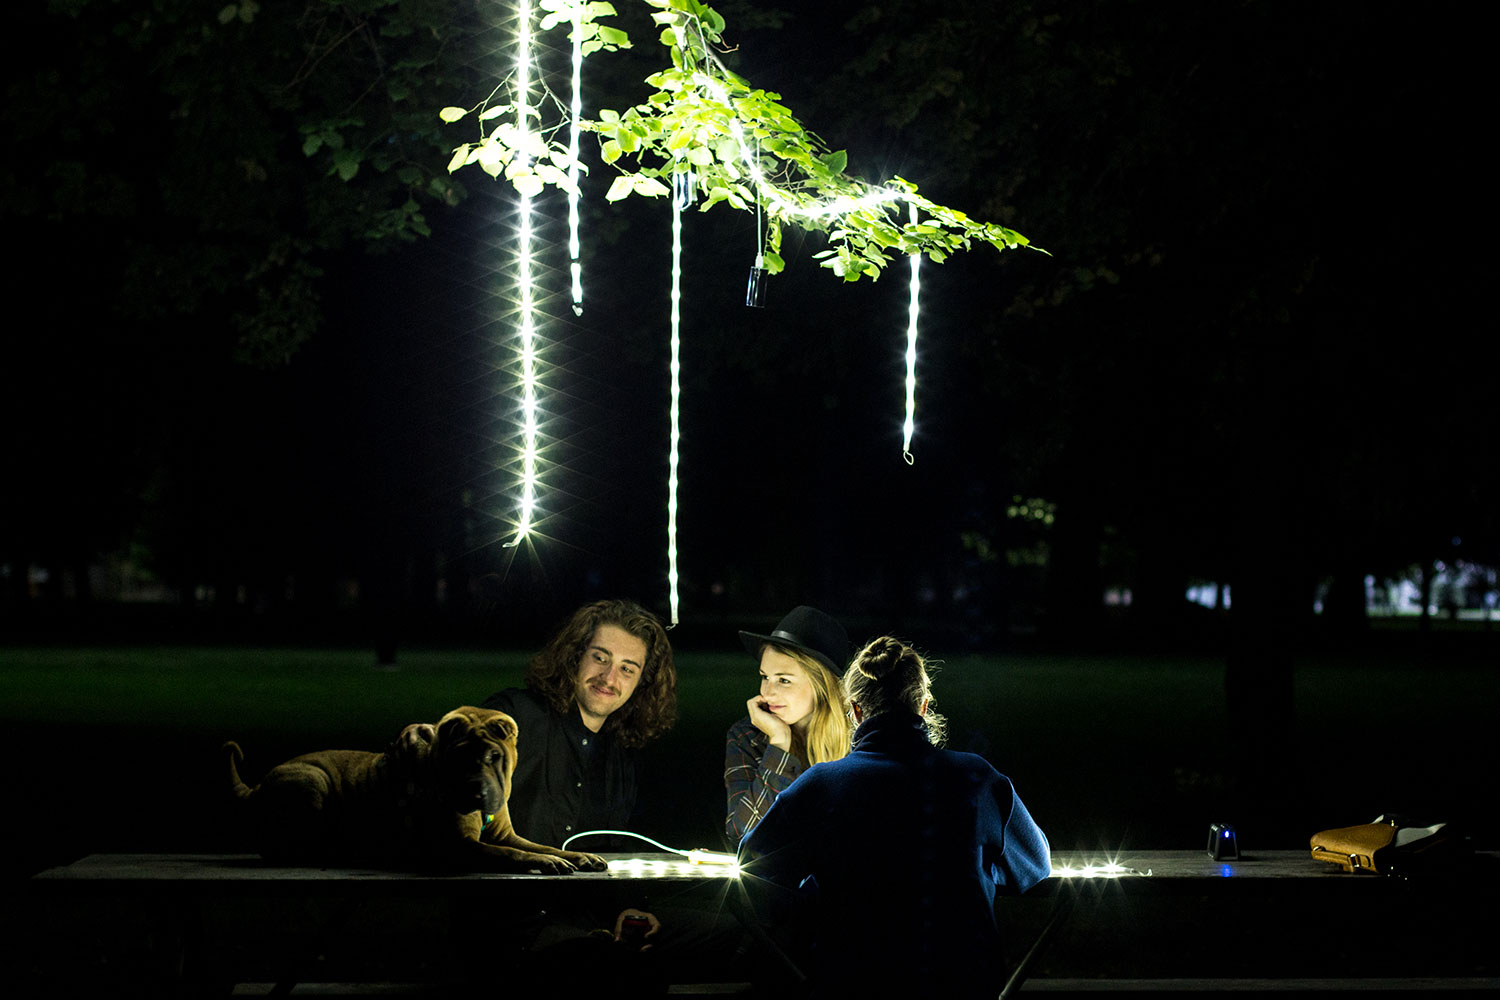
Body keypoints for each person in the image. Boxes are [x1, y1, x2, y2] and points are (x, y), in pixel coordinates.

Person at [738, 636, 1051, 999]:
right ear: (923, 705)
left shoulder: (822, 786)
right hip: (964, 987)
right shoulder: (976, 778)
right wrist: (971, 870)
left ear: (854, 711)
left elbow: (753, 867)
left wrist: (816, 889)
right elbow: (1034, 865)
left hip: (850, 987)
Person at [482, 598, 677, 851]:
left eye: (627, 669)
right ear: (575, 655)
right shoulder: (514, 715)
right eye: (600, 657)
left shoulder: (622, 755)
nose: (609, 678)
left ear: (641, 683)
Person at [724, 605, 853, 845]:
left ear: (821, 686)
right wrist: (779, 746)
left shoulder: (859, 737)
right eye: (765, 677)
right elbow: (742, 834)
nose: (767, 692)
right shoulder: (748, 737)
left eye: (784, 680)